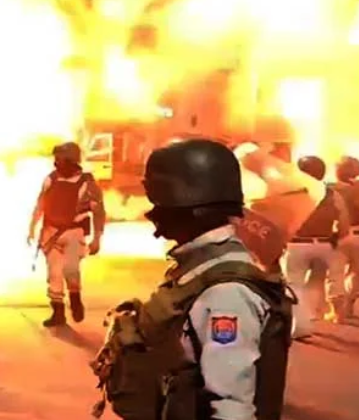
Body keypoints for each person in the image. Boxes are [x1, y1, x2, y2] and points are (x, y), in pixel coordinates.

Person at [89, 139, 294, 420]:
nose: (152, 214)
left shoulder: (226, 292)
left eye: (161, 204)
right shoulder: (202, 268)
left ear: (189, 207)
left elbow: (231, 405)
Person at [27, 142, 106, 327]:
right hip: (51, 233)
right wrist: (32, 226)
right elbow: (41, 204)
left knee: (71, 270)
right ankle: (58, 312)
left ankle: (75, 298)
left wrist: (97, 238)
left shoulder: (87, 183)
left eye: (60, 159)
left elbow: (99, 212)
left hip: (74, 233)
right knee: (54, 274)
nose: (56, 163)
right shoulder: (51, 179)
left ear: (71, 161)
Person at [285, 156, 350, 335]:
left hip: (297, 244)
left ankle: (300, 325)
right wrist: (335, 238)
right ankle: (312, 315)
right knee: (316, 282)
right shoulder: (332, 195)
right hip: (324, 244)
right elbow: (344, 224)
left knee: (294, 284)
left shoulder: (291, 194)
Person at [333, 155, 359, 318]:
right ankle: (348, 305)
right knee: (356, 273)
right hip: (357, 234)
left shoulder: (329, 189)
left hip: (336, 234)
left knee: (335, 274)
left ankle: (336, 310)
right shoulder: (357, 189)